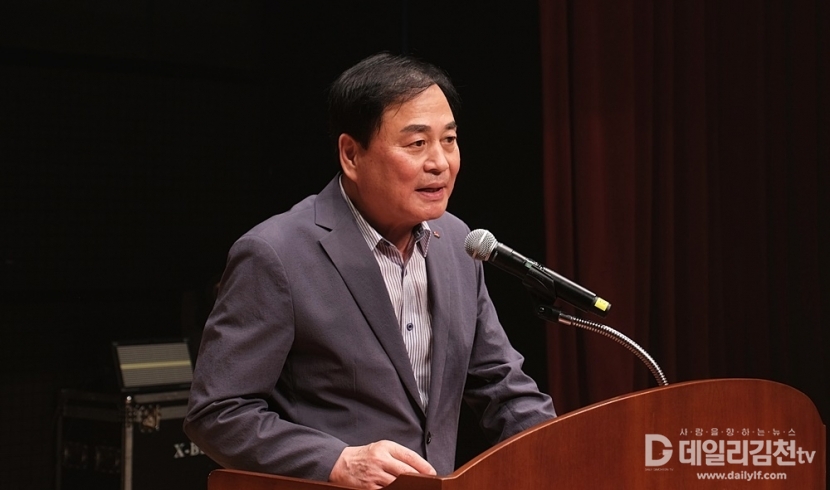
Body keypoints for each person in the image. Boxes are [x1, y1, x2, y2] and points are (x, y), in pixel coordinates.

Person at [183, 52, 556, 489]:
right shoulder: (276, 254)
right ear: (351, 154)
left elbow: (502, 388)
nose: (440, 162)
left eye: (449, 140)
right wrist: (336, 461)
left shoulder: (457, 242)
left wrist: (567, 455)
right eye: (417, 144)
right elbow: (217, 413)